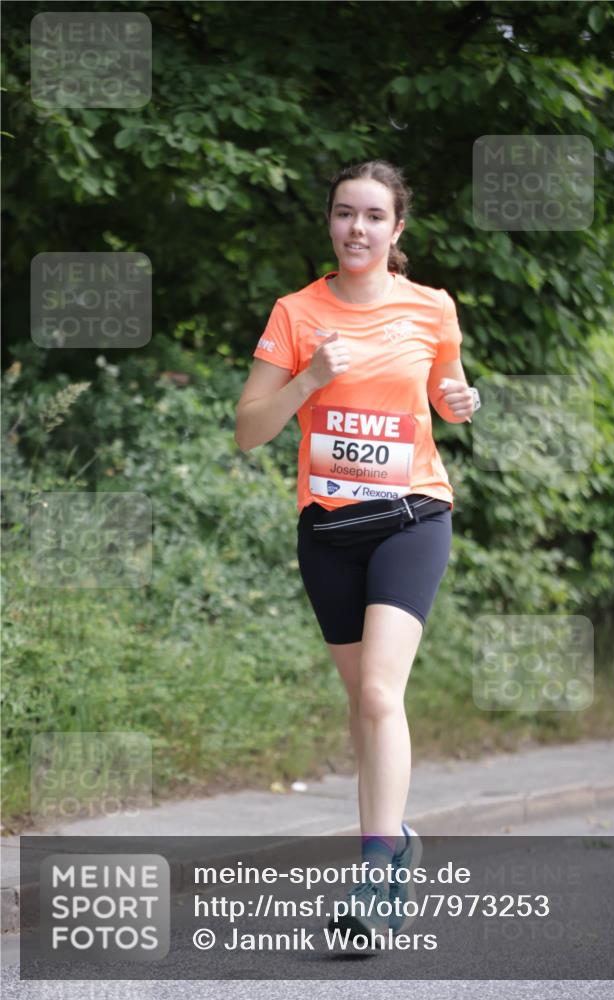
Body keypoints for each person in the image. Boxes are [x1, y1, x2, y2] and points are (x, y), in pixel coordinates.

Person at [235, 160, 478, 943]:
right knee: (364, 703)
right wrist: (309, 377)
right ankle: (396, 838)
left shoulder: (431, 308)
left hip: (412, 515)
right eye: (345, 214)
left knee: (378, 692)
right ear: (330, 222)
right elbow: (248, 430)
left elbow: (446, 391)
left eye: (374, 216)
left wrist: (458, 400)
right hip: (329, 531)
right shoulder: (296, 312)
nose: (357, 229)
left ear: (396, 229)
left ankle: (374, 875)